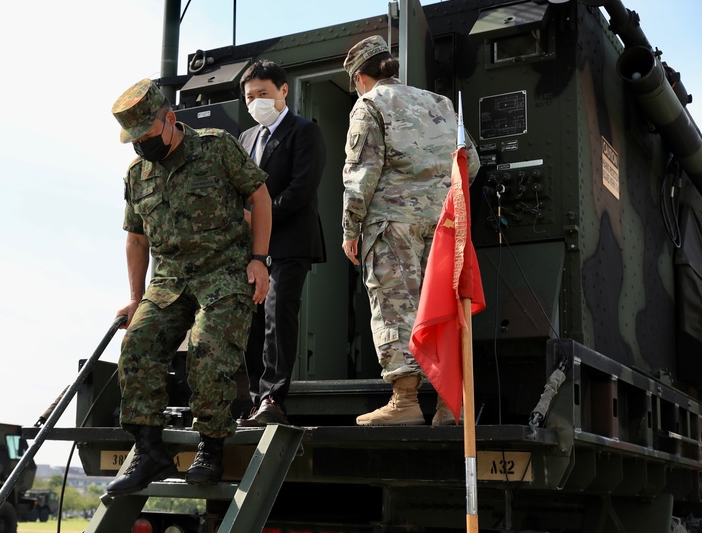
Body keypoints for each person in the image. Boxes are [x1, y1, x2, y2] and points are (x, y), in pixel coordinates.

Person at [106, 78, 272, 495]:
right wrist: (134, 298)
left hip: (224, 273)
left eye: (147, 135)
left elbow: (261, 197)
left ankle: (211, 448)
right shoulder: (136, 174)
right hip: (169, 282)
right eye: (135, 140)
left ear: (170, 120)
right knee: (138, 342)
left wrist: (259, 260)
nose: (141, 146)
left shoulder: (216, 147)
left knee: (207, 346)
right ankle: (148, 450)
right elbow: (136, 238)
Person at [340, 36, 479, 427]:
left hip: (391, 222)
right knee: (442, 307)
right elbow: (472, 162)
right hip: (444, 225)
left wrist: (350, 229)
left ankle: (405, 401)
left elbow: (360, 175)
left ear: (360, 78)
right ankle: (452, 406)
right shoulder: (442, 104)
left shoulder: (368, 105)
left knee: (396, 306)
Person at [236, 60, 326, 427]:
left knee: (277, 314)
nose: (256, 101)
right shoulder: (245, 139)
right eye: (249, 96)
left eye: (263, 93)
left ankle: (273, 396)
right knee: (252, 323)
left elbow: (301, 191)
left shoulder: (305, 132)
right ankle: (256, 399)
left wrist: (258, 217)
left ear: (283, 91)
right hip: (252, 249)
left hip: (290, 241)